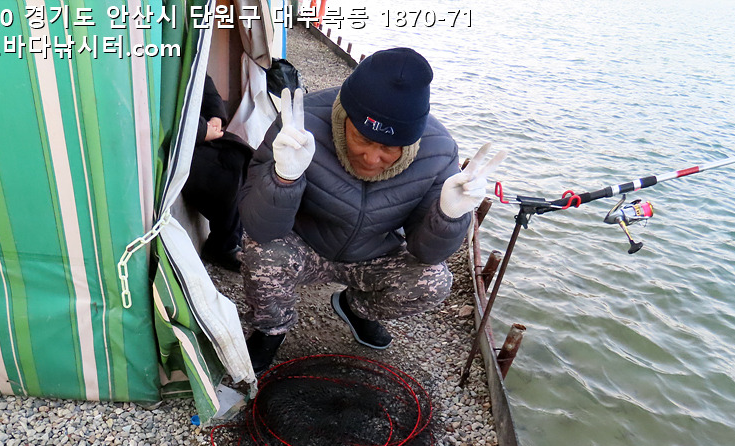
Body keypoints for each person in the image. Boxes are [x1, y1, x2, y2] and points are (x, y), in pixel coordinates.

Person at [237, 47, 506, 372]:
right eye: (362, 139)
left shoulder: (439, 151)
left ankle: (356, 309)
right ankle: (271, 328)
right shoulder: (299, 125)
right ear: (343, 117)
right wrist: (283, 179)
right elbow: (260, 227)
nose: (372, 158)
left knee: (434, 281)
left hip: (372, 253)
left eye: (389, 148)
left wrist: (449, 216)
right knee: (260, 251)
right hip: (304, 243)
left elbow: (427, 254)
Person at [181, 75, 251, 272]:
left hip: (198, 130)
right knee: (225, 174)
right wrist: (201, 130)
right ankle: (222, 246)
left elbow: (202, 80)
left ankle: (231, 239)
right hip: (175, 140)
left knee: (240, 156)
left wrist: (215, 116)